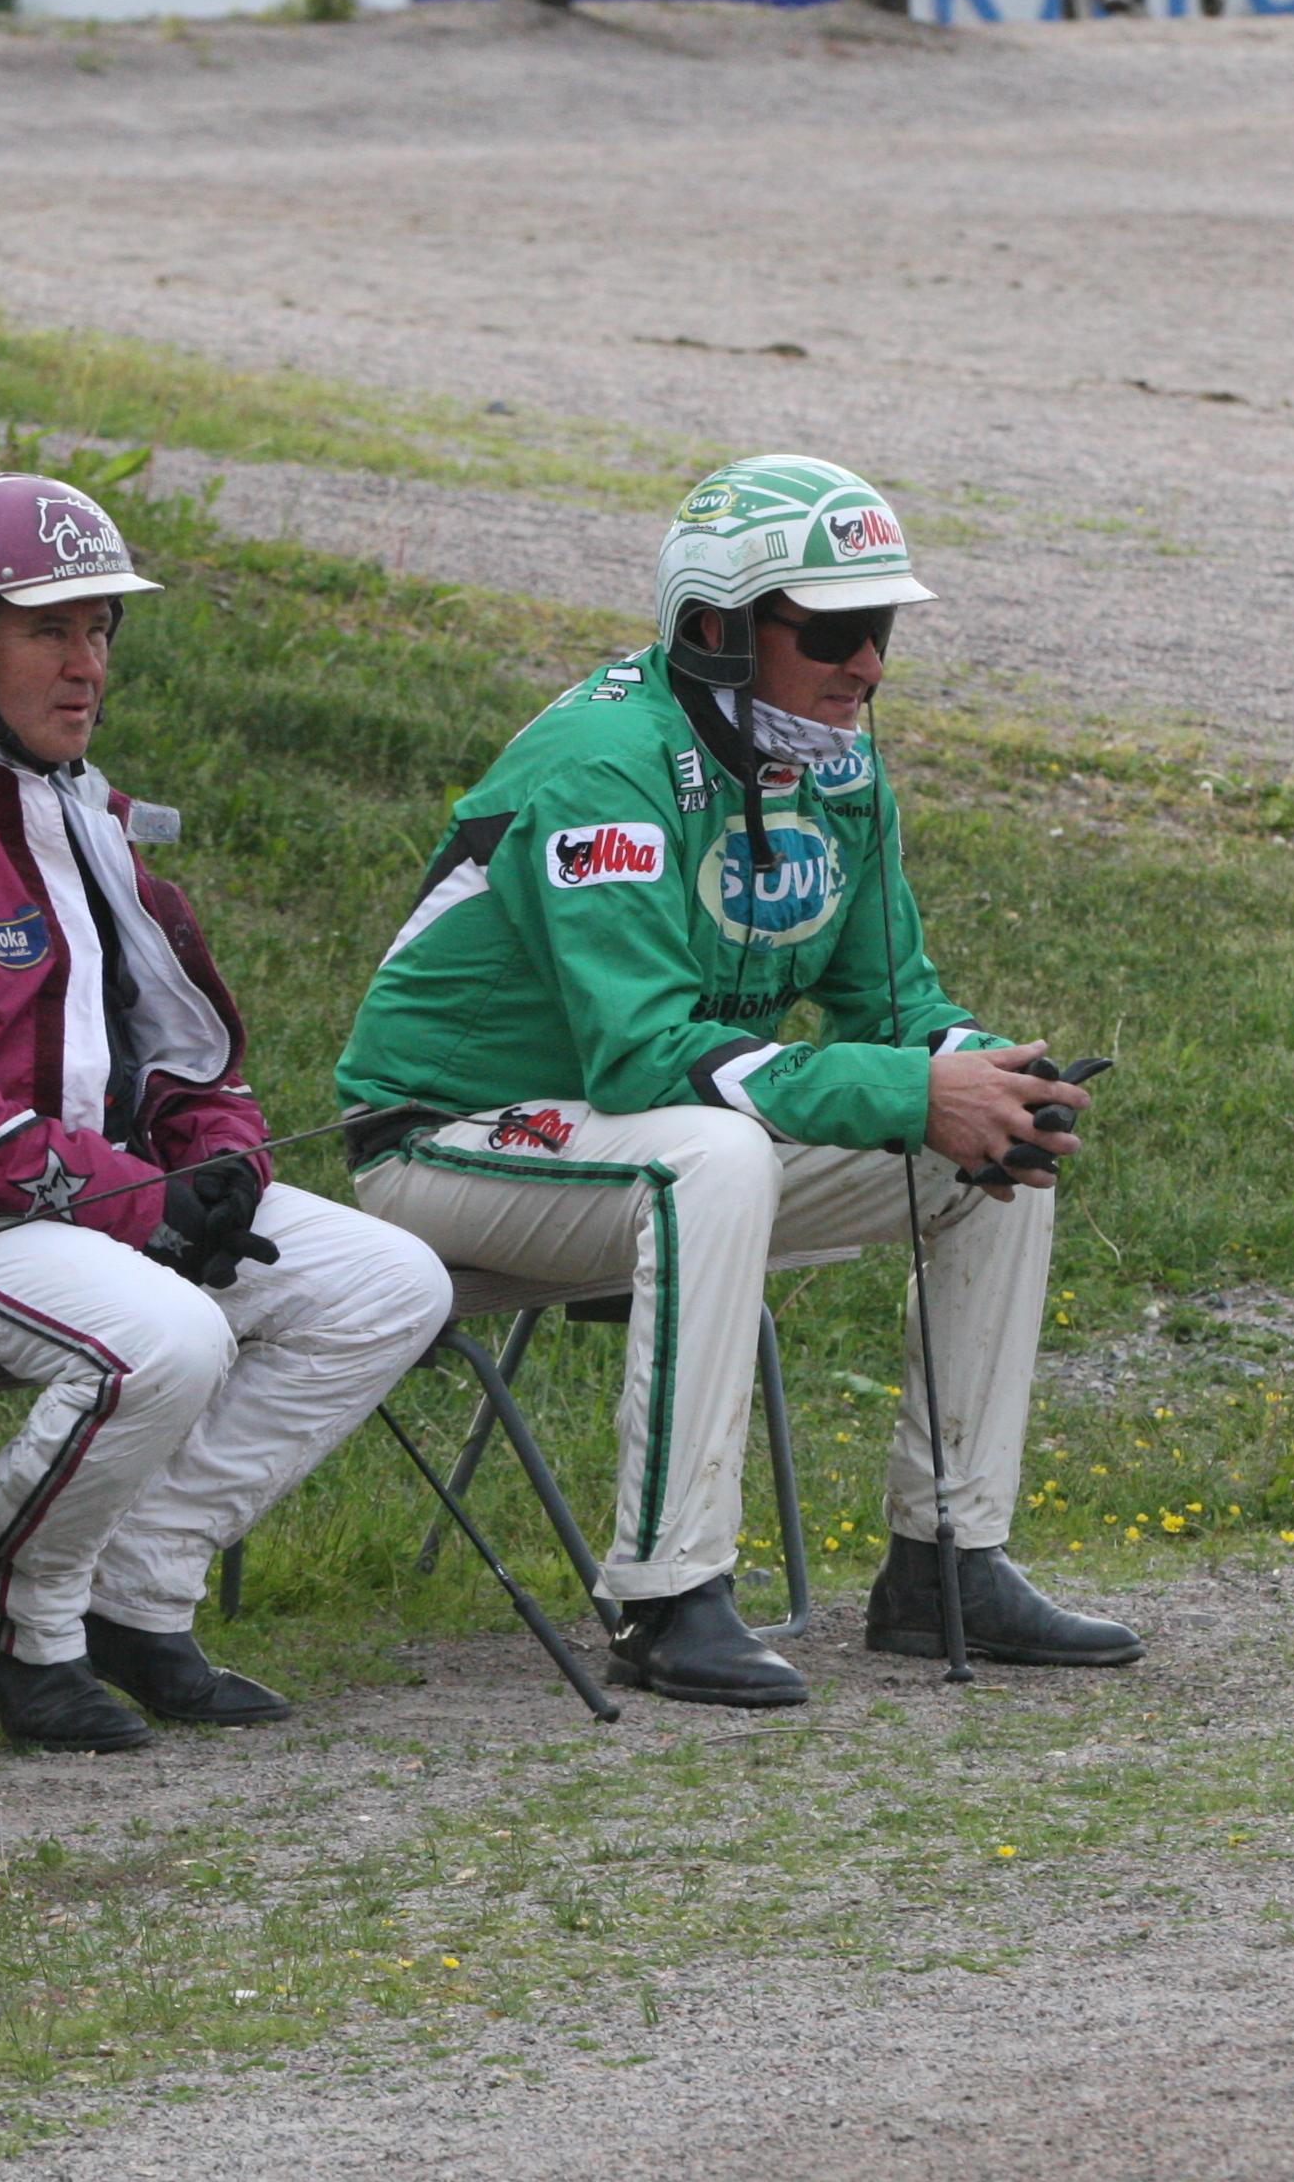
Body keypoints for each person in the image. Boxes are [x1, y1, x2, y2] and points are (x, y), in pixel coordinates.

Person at [331, 457, 1136, 1709]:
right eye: (831, 630)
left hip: (626, 1144)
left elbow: (896, 1005)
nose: (867, 664)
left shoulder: (837, 763)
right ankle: (664, 1598)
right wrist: (912, 1089)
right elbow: (645, 1054)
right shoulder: (606, 765)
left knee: (990, 1151)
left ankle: (946, 1564)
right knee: (710, 1155)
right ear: (715, 630)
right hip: (443, 1142)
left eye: (882, 629)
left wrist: (979, 1072)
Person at [0, 475, 450, 1753]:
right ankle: (13, 1622)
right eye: (49, 630)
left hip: (69, 1199)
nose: (87, 666)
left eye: (103, 631)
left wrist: (218, 1165)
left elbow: (181, 1042)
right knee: (165, 1336)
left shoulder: (78, 807)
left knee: (388, 1281)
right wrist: (135, 1200)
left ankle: (137, 1594)